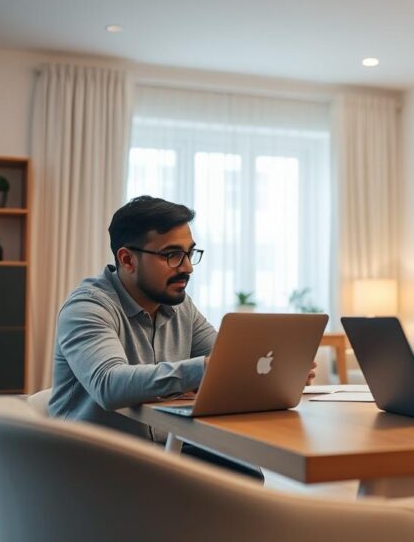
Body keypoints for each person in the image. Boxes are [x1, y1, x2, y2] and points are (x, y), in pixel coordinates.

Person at [48, 196, 314, 477]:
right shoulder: (89, 306)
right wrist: (205, 370)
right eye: (171, 255)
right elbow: (109, 384)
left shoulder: (180, 306)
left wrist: (281, 371)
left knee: (244, 472)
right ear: (127, 259)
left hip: (161, 451)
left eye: (190, 253)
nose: (187, 267)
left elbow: (225, 358)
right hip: (91, 463)